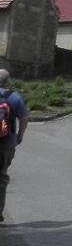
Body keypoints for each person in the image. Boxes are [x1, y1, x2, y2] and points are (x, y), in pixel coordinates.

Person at [0, 68, 29, 223]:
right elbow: (24, 119)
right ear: (8, 81)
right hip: (6, 144)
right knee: (2, 177)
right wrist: (19, 136)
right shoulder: (15, 98)